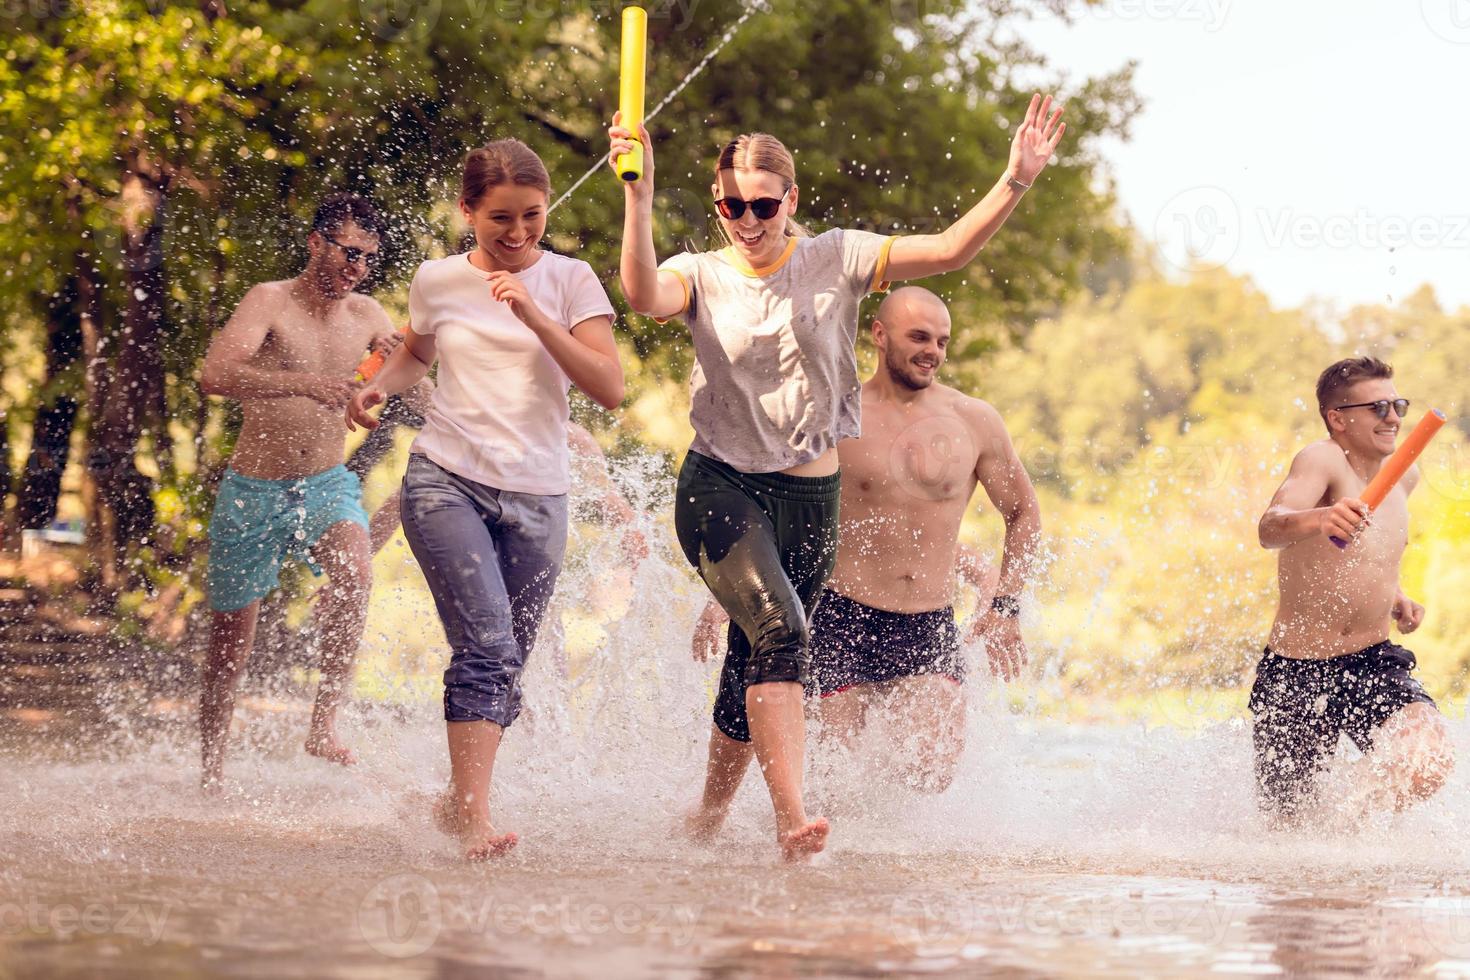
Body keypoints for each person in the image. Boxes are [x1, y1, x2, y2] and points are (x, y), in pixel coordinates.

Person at [609, 94, 1066, 860]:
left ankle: (711, 820)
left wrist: (1015, 179)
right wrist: (640, 194)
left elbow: (951, 249)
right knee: (782, 635)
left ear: (791, 200)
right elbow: (642, 296)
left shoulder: (841, 256)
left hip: (808, 497)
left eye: (761, 204)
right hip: (722, 481)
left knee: (757, 668)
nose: (745, 219)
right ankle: (793, 817)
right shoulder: (699, 272)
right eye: (730, 205)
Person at [346, 138, 624, 860]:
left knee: (509, 669)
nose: (518, 233)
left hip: (540, 498)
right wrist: (382, 383)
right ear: (468, 209)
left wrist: (535, 317)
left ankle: (452, 803)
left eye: (532, 216)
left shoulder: (571, 280)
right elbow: (416, 352)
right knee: (488, 649)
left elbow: (609, 387)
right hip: (447, 480)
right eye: (500, 217)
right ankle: (474, 819)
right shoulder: (438, 278)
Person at [690, 287, 1040, 808]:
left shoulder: (975, 421)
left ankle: (890, 884)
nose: (933, 352)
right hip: (837, 615)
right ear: (879, 335)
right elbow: (775, 508)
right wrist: (734, 594)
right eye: (919, 337)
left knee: (929, 773)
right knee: (835, 784)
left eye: (942, 341)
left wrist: (1007, 606)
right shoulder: (833, 414)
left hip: (925, 622)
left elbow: (1024, 514)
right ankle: (815, 873)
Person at [198, 193, 407, 792]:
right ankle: (212, 770)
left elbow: (398, 397)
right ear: (316, 242)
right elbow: (215, 374)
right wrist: (306, 384)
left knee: (357, 572)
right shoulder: (269, 300)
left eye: (368, 259)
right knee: (228, 647)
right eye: (348, 252)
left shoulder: (370, 316)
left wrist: (399, 367)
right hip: (253, 491)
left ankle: (323, 725)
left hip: (325, 484)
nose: (357, 268)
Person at [1252, 356, 1454, 823]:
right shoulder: (1321, 458)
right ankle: (1318, 859)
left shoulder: (1405, 475)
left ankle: (1346, 832)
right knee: (1288, 830)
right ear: (1338, 419)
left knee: (1426, 757)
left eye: (1397, 404)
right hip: (1295, 673)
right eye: (1378, 407)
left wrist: (1395, 593)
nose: (1394, 418)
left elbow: (1370, 554)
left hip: (1371, 659)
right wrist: (1321, 517)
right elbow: (1270, 528)